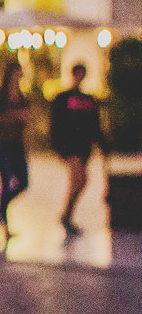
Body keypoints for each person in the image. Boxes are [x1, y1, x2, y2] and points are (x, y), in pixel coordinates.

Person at [48, 63, 105, 237]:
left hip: (83, 146)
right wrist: (57, 145)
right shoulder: (63, 98)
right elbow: (56, 123)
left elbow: (94, 124)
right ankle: (67, 215)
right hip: (69, 145)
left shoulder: (89, 100)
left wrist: (101, 143)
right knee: (78, 178)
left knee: (81, 181)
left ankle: (67, 214)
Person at [0, 61, 32, 236]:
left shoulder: (21, 97)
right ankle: (5, 227)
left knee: (23, 183)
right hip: (0, 144)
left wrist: (24, 118)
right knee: (6, 181)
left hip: (16, 144)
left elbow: (27, 119)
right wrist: (15, 116)